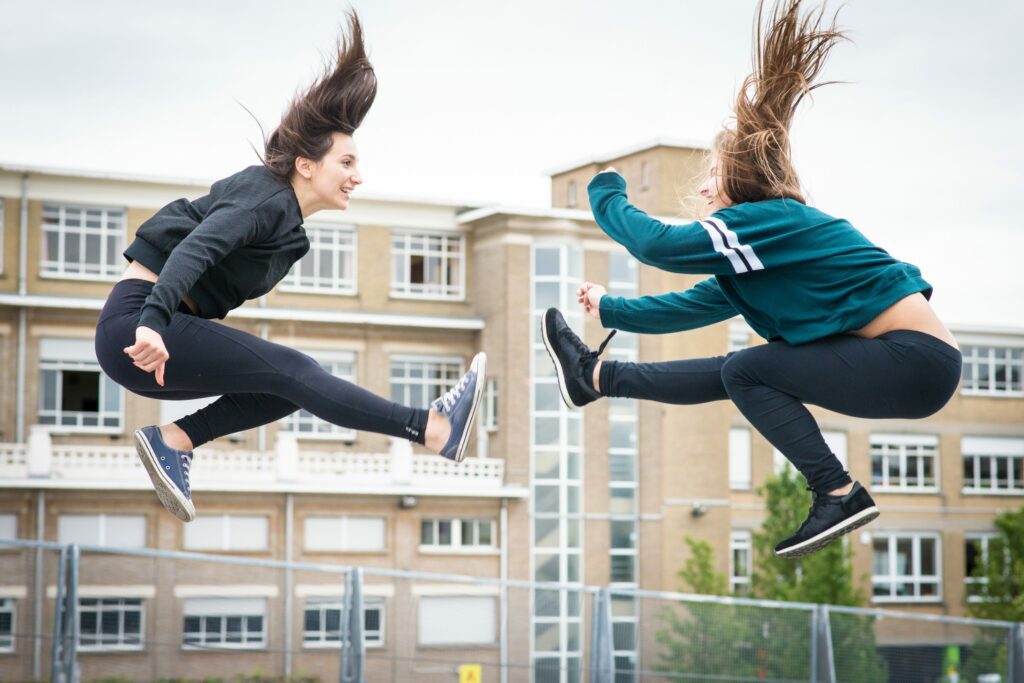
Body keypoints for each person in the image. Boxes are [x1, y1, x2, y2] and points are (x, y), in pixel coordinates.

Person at [541, 0, 961, 558]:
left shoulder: (770, 222)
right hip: (905, 368)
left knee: (748, 369)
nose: (707, 191)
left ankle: (837, 492)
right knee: (741, 371)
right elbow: (693, 304)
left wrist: (606, 189)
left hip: (914, 360)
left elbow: (654, 244)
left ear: (741, 180)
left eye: (714, 177)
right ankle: (595, 378)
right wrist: (612, 310)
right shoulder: (761, 257)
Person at [95, 14, 485, 523]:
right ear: (306, 164)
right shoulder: (267, 197)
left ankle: (174, 440)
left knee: (286, 384)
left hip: (156, 342)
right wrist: (152, 320)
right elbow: (197, 248)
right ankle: (433, 428)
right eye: (346, 163)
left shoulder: (289, 230)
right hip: (140, 329)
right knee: (297, 372)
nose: (358, 177)